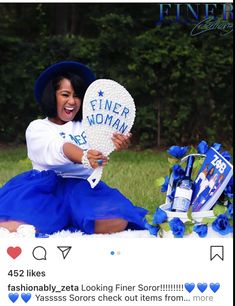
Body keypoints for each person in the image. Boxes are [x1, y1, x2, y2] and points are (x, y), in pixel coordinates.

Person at [0, 61, 148, 236]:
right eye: (65, 94)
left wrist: (116, 144)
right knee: (17, 222)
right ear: (52, 95)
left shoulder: (90, 125)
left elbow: (101, 150)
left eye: (77, 96)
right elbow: (59, 148)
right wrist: (84, 157)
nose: (72, 101)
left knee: (117, 220)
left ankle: (74, 221)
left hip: (83, 189)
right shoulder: (38, 127)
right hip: (44, 189)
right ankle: (56, 221)